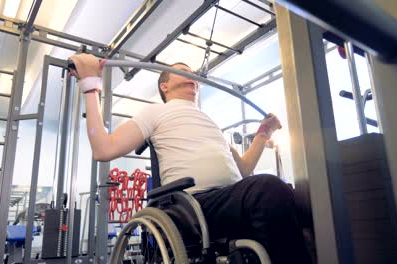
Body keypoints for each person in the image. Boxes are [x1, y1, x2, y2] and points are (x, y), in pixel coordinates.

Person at [70, 54, 311, 263]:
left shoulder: (211, 121)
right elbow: (104, 149)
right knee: (268, 189)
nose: (193, 76)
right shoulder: (155, 112)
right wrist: (91, 86)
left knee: (299, 197)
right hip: (195, 206)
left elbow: (244, 170)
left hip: (232, 198)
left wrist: (263, 133)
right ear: (164, 86)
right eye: (184, 72)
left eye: (194, 73)